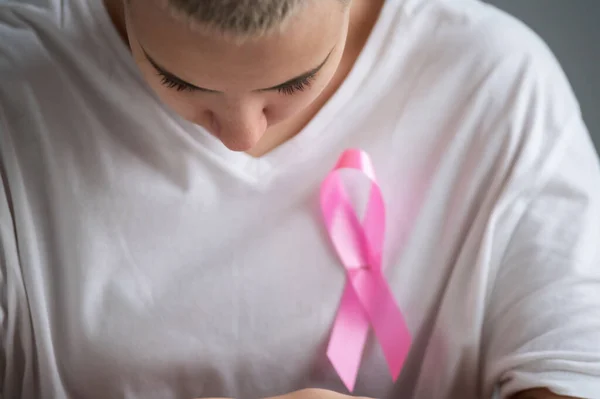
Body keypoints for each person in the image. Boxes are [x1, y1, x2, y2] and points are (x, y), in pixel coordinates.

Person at [0, 0, 599, 397]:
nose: (242, 137)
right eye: (178, 81)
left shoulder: (498, 88)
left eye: (293, 83)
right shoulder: (16, 86)